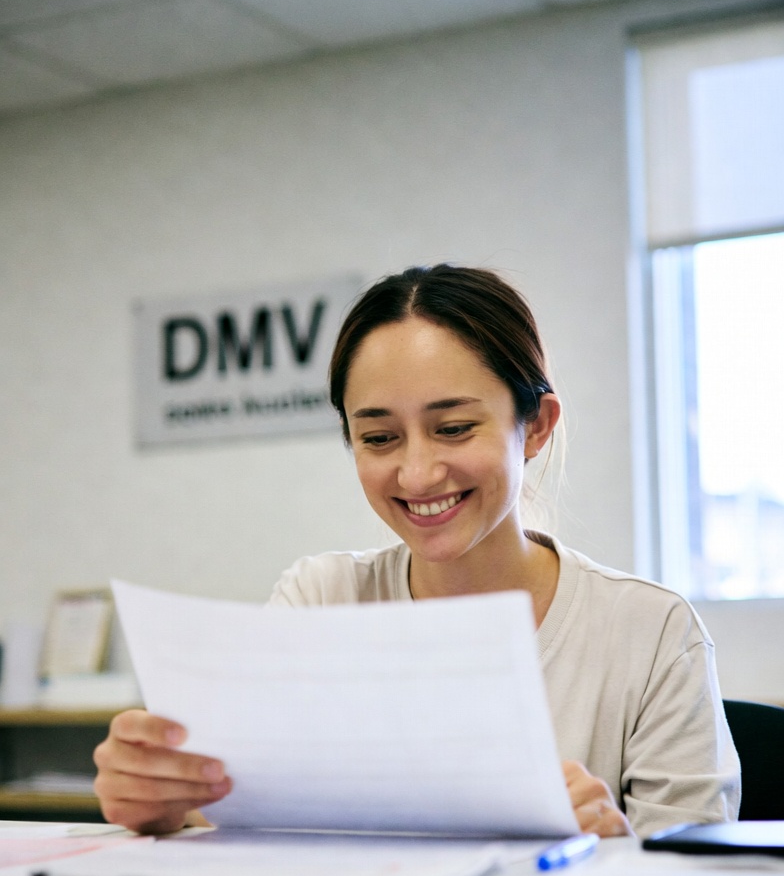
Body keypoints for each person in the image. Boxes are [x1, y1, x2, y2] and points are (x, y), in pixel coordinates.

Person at [94, 265, 740, 838]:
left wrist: (607, 843)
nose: (418, 474)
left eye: (454, 428)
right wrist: (166, 801)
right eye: (378, 438)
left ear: (536, 426)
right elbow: (237, 810)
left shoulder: (649, 630)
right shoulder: (320, 600)